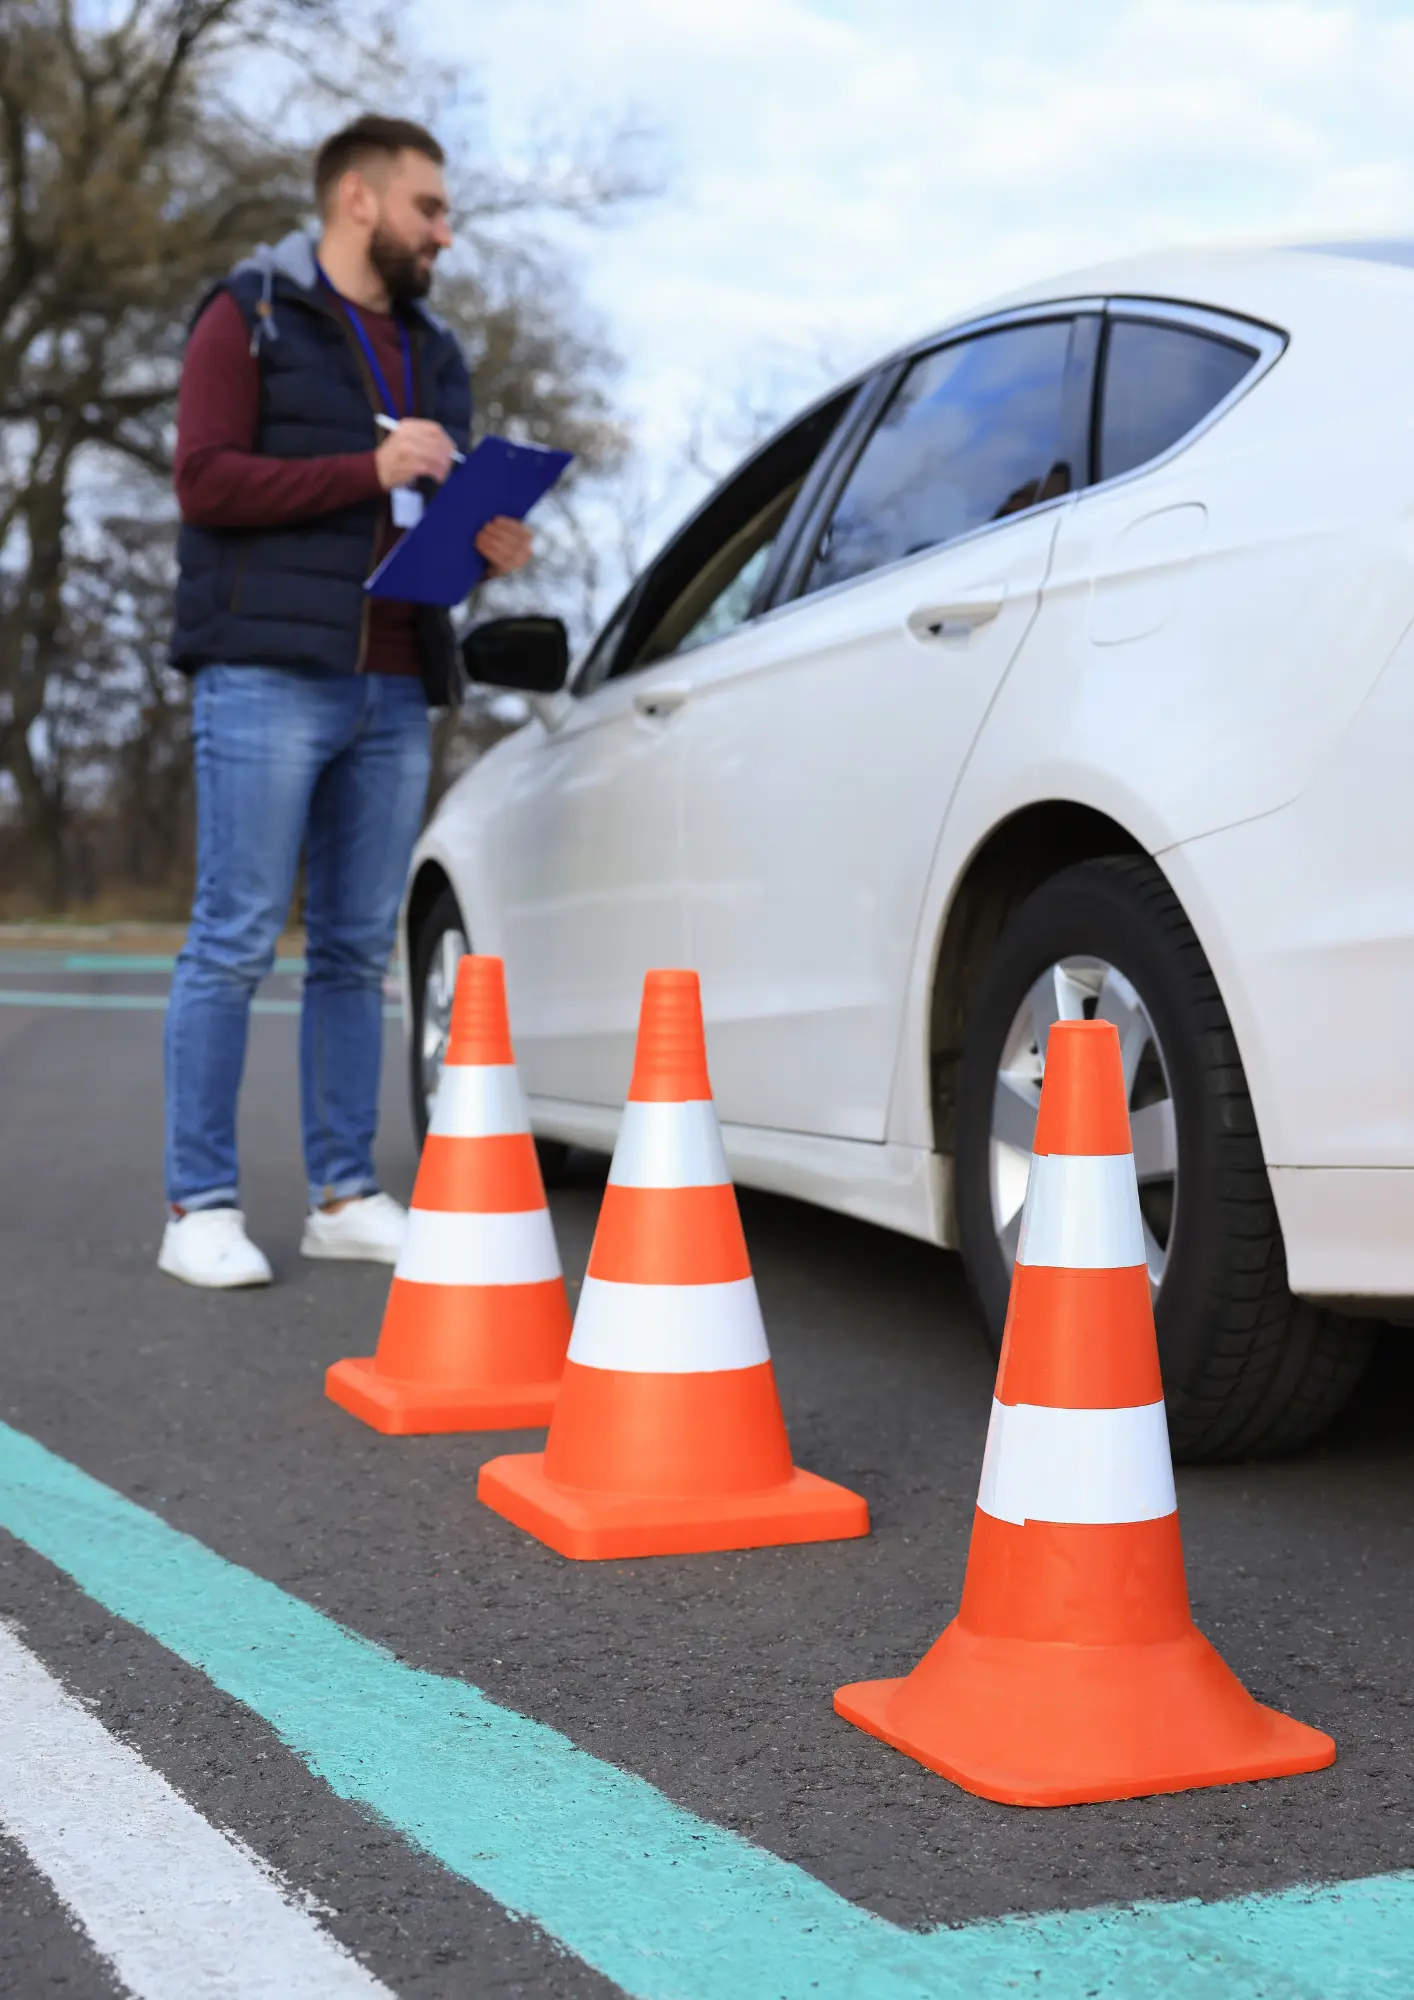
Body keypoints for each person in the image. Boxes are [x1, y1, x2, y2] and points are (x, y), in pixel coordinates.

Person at [159, 114, 532, 1289]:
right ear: (358, 200)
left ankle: (342, 1191)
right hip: (266, 673)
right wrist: (363, 470)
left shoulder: (435, 348)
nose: (445, 231)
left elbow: (435, 523)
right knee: (233, 938)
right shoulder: (250, 314)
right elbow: (204, 480)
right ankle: (198, 1205)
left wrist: (486, 546)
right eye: (429, 208)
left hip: (391, 680)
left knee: (356, 948)